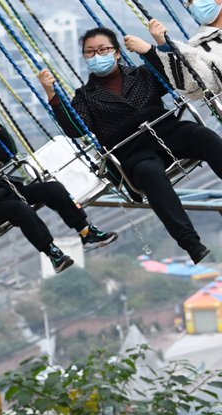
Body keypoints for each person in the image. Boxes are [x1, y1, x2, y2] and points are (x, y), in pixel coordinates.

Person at [42, 27, 220, 264]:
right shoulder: (84, 96)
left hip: (166, 131)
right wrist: (53, 96)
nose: (97, 56)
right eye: (90, 52)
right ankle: (190, 241)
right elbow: (76, 128)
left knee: (202, 135)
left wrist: (150, 51)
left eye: (103, 49)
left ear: (116, 53)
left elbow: (172, 76)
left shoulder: (143, 74)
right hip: (131, 150)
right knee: (150, 174)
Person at [0, 113, 117, 273]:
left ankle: (86, 232)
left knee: (52, 188)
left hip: (10, 191)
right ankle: (52, 253)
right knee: (19, 209)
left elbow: (10, 152)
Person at [142, 0, 222, 101]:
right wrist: (164, 45)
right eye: (190, 0)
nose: (195, 3)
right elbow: (194, 89)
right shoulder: (201, 48)